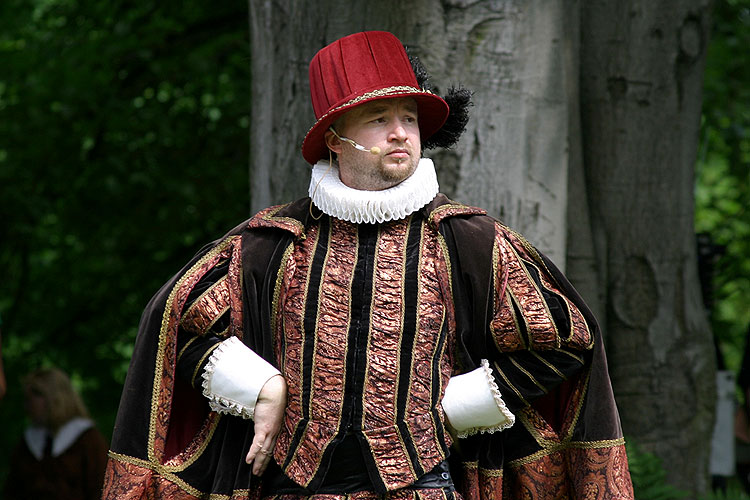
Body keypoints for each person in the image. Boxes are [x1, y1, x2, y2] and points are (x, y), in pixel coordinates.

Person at [103, 31, 633, 499]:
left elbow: (568, 338)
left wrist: (459, 405)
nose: (401, 132)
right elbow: (178, 324)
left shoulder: (468, 242)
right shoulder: (270, 244)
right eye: (379, 119)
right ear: (335, 138)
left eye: (409, 118)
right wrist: (261, 387)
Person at [4, 367, 108, 500]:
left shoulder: (88, 440)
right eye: (27, 397)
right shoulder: (27, 443)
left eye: (36, 394)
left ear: (55, 397)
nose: (29, 404)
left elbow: (100, 489)